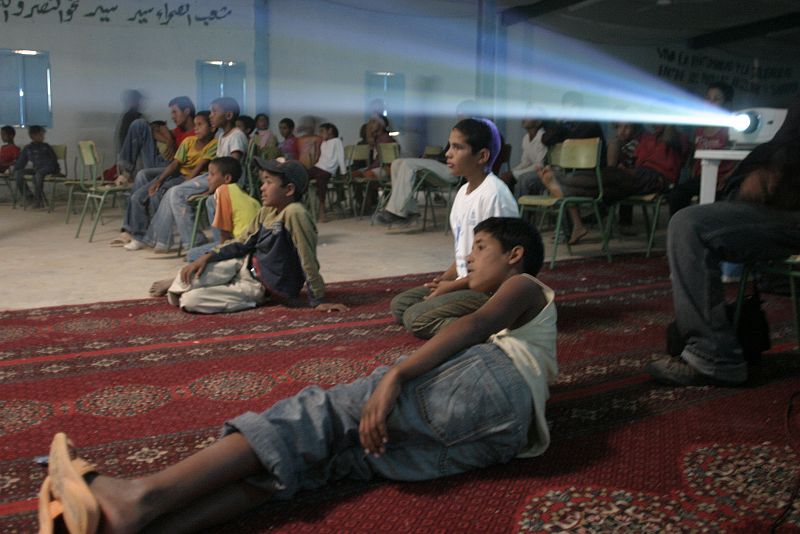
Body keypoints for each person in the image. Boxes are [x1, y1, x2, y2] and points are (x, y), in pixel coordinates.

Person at [38, 216, 556, 534]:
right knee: (322, 464)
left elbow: (476, 323)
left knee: (324, 414)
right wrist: (452, 285)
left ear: (514, 256)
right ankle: (137, 525)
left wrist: (396, 375)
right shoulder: (520, 314)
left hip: (492, 381)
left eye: (481, 248)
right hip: (500, 436)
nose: (469, 256)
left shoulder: (528, 284)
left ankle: (139, 496)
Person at [645, 93, 800, 387]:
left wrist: (779, 176)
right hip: (782, 205)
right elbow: (785, 146)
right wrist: (760, 176)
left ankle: (714, 356)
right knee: (692, 218)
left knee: (690, 225)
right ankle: (708, 343)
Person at [156, 158, 345, 314]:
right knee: (187, 275)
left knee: (190, 301)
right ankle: (184, 284)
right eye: (263, 181)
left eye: (269, 182)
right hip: (243, 265)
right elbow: (242, 241)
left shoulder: (295, 213)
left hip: (259, 286)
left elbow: (308, 258)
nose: (262, 187)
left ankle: (238, 296)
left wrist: (318, 299)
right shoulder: (266, 211)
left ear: (289, 190)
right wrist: (209, 255)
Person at [390, 118, 519, 339]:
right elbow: (464, 252)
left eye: (457, 147)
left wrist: (453, 287)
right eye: (449, 146)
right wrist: (444, 280)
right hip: (468, 282)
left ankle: (484, 329)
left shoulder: (494, 195)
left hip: (491, 290)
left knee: (415, 317)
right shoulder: (463, 192)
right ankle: (471, 320)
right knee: (401, 305)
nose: (448, 153)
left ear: (482, 156)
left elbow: (497, 268)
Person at [132, 97, 248, 253]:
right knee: (174, 191)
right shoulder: (222, 136)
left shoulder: (236, 136)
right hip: (213, 177)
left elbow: (232, 169)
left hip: (224, 181)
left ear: (228, 116)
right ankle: (173, 240)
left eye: (214, 111)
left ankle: (189, 242)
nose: (211, 115)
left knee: (176, 192)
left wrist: (212, 188)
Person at [539, 123, 685, 245]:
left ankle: (563, 181)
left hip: (655, 178)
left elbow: (672, 155)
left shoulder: (674, 138)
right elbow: (635, 160)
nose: (654, 123)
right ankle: (574, 215)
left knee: (607, 175)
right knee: (600, 188)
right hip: (637, 176)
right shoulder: (648, 139)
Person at [113, 111, 218, 248]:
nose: (196, 128)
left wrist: (185, 183)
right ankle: (138, 235)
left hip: (189, 180)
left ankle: (161, 239)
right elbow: (175, 163)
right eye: (195, 125)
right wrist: (159, 180)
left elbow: (200, 166)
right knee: (138, 194)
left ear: (212, 128)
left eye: (200, 125)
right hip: (176, 173)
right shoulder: (187, 141)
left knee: (157, 193)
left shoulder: (214, 144)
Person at [667, 81, 735, 216]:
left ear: (726, 103)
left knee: (715, 204)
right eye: (708, 98)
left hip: (722, 178)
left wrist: (728, 177)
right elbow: (695, 157)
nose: (710, 102)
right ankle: (679, 229)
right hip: (701, 178)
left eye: (716, 99)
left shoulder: (731, 128)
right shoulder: (700, 128)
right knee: (676, 194)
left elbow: (740, 159)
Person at [182, 156, 261, 263]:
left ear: (227, 178)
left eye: (212, 174)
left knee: (192, 254)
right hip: (256, 245)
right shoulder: (248, 198)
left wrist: (219, 252)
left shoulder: (223, 190)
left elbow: (224, 231)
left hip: (240, 245)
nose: (208, 178)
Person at [115, 96, 196, 184]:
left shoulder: (197, 133)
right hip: (159, 163)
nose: (172, 117)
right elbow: (156, 128)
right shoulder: (179, 130)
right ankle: (125, 173)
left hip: (173, 169)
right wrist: (169, 140)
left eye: (175, 112)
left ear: (186, 111)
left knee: (143, 173)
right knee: (139, 124)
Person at [500, 116, 548, 198]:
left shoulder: (542, 137)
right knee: (506, 177)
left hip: (542, 173)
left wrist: (515, 174)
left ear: (538, 122)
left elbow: (539, 165)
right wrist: (512, 172)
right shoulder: (526, 138)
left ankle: (519, 208)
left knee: (523, 179)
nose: (524, 118)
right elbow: (525, 162)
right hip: (532, 171)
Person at [308, 123, 346, 223]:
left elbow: (341, 157)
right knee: (304, 174)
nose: (320, 134)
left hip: (327, 170)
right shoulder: (323, 143)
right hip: (318, 167)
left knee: (321, 180)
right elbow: (320, 159)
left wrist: (343, 172)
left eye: (322, 131)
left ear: (330, 131)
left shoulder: (337, 141)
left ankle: (322, 210)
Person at [13, 125, 59, 209]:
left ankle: (39, 201)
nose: (43, 137)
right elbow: (21, 162)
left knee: (37, 175)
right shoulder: (28, 148)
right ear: (32, 136)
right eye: (40, 135)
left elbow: (54, 160)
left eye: (43, 135)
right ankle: (29, 197)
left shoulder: (46, 146)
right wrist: (15, 170)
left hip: (48, 168)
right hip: (37, 168)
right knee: (18, 174)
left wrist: (56, 171)